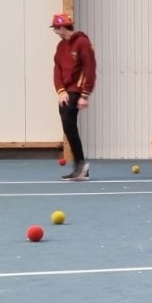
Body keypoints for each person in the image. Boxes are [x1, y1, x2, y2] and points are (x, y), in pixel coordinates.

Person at [51, 13, 97, 181]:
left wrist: (84, 94)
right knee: (68, 126)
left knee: (69, 124)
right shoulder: (60, 47)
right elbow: (57, 70)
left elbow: (89, 68)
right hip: (65, 92)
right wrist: (60, 90)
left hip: (76, 90)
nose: (55, 31)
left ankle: (81, 165)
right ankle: (80, 166)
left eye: (56, 28)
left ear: (62, 27)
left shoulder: (82, 43)